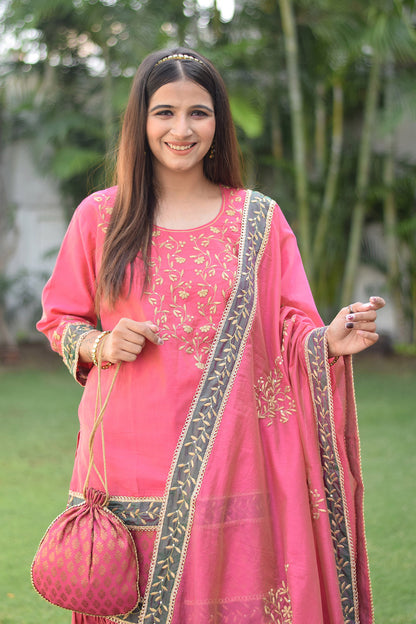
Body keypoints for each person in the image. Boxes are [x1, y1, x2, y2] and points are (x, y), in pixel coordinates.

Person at [37, 47, 385, 624]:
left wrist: (326, 341)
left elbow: (288, 324)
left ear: (218, 123)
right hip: (128, 457)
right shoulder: (102, 216)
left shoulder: (258, 219)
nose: (181, 129)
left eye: (198, 113)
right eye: (164, 112)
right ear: (140, 122)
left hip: (236, 459)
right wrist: (100, 345)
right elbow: (59, 319)